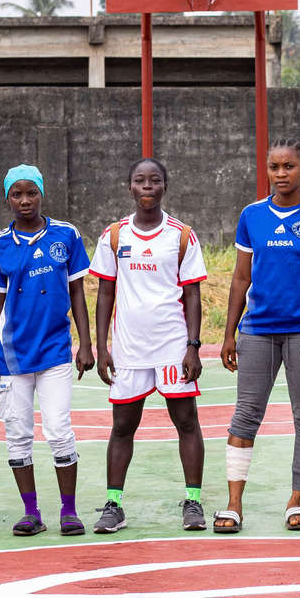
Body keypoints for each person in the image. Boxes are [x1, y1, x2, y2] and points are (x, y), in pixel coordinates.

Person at [220, 141, 300, 532]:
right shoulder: (251, 215)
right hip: (257, 331)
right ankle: (234, 504)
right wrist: (228, 334)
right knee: (245, 415)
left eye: (289, 166)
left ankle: (296, 501)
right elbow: (240, 278)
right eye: (274, 166)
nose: (281, 173)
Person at [92, 158, 208, 532]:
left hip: (172, 345)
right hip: (129, 348)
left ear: (164, 187)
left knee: (186, 420)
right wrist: (101, 347)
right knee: (123, 425)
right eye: (140, 181)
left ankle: (193, 501)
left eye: (154, 180)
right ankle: (114, 503)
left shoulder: (181, 235)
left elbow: (192, 294)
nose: (147, 186)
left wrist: (192, 345)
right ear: (130, 187)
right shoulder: (113, 235)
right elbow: (105, 292)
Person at [0, 164, 94, 537]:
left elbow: (77, 292)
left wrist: (86, 344)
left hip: (56, 350)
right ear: (7, 198)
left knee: (59, 429)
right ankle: (31, 512)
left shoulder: (66, 235)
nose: (25, 200)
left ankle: (69, 510)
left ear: (42, 193)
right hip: (12, 356)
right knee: (17, 434)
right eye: (17, 194)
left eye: (31, 193)